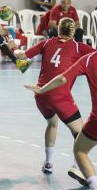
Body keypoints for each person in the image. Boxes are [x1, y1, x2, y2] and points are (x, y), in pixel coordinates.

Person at [16, 18, 95, 185]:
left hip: (40, 95)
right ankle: (77, 167)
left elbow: (22, 55)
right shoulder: (78, 46)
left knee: (52, 124)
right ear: (73, 31)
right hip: (60, 96)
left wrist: (13, 49)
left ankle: (49, 163)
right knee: (80, 134)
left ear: (58, 29)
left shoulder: (46, 43)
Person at [25, 51, 97, 190]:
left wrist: (41, 90)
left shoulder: (88, 59)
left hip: (95, 121)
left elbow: (62, 79)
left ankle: (87, 177)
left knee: (80, 150)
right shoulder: (81, 50)